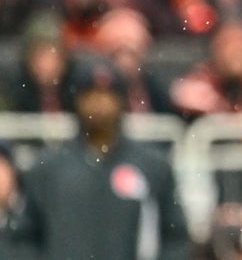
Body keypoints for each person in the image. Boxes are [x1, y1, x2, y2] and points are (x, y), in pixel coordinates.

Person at [2, 56, 191, 260]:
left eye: (108, 95)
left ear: (121, 100)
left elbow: (176, 237)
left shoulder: (153, 166)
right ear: (76, 101)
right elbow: (23, 238)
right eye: (90, 95)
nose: (99, 104)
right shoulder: (46, 169)